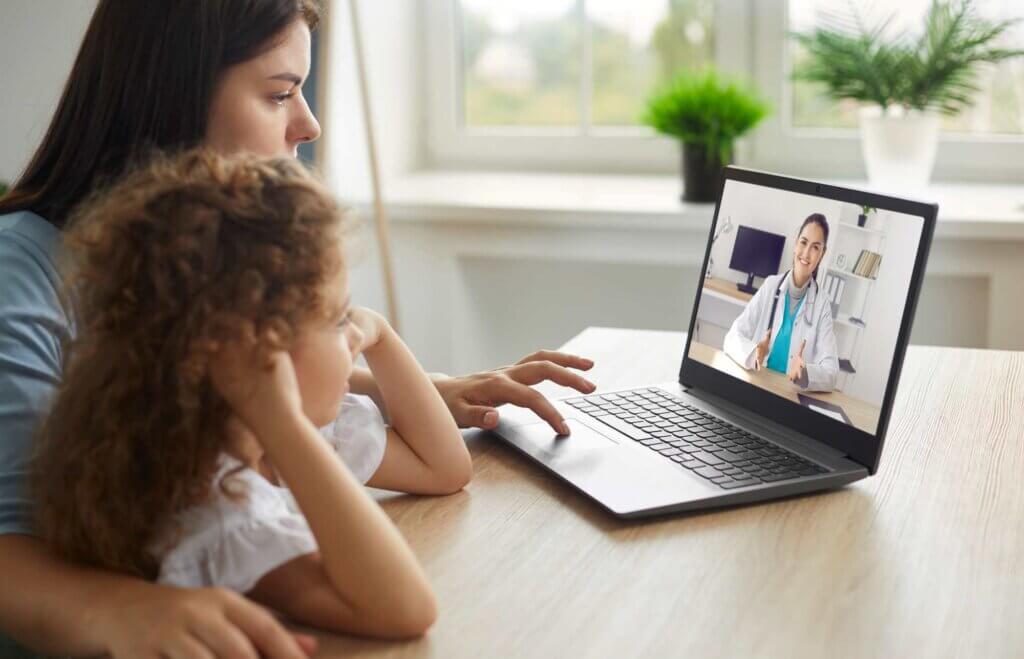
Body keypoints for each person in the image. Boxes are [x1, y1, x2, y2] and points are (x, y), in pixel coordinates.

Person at [0, 1, 594, 656]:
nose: (308, 124)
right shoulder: (18, 275)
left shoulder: (212, 281)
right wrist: (118, 607)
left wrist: (414, 385)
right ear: (174, 93)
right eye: (280, 93)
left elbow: (220, 376)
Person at [35, 148, 463, 639]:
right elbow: (407, 610)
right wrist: (282, 421)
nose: (354, 336)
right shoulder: (215, 510)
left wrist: (382, 335)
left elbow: (445, 468)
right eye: (337, 318)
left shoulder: (302, 435)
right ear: (253, 355)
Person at [722, 213, 839, 392]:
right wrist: (754, 353)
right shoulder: (770, 285)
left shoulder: (822, 303)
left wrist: (806, 373)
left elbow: (832, 372)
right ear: (795, 243)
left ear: (822, 254)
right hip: (757, 384)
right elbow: (732, 337)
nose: (806, 253)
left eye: (815, 247)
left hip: (790, 394)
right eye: (803, 242)